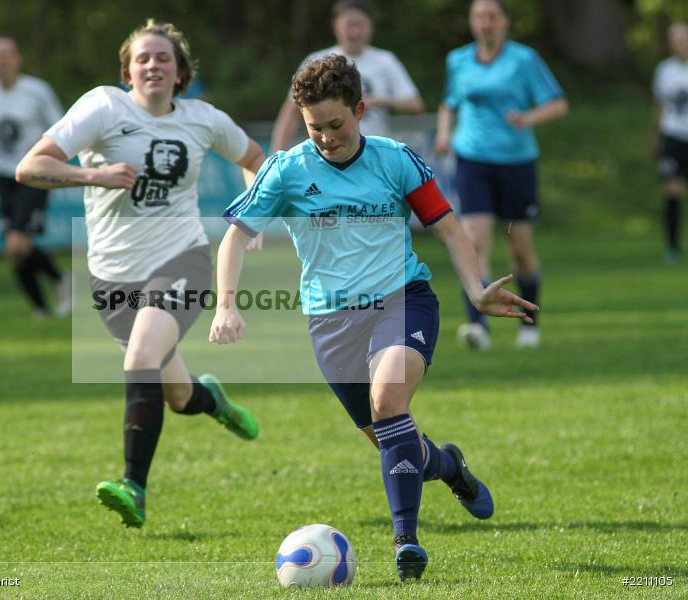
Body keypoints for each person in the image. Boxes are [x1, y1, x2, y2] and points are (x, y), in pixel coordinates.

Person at [210, 54, 537, 581]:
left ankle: (406, 541)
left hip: (402, 299)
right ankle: (449, 465)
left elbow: (448, 228)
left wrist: (476, 291)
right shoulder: (287, 169)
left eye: (336, 124)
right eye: (315, 127)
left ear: (360, 110)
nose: (326, 138)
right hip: (330, 322)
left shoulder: (395, 159)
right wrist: (226, 304)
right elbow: (234, 238)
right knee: (395, 441)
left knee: (388, 404)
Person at [16, 20, 266, 529]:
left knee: (141, 358)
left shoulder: (203, 119)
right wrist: (94, 175)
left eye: (163, 58)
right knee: (177, 396)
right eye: (143, 58)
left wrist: (252, 214)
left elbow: (255, 158)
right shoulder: (103, 107)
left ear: (181, 73)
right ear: (127, 72)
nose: (153, 65)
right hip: (112, 279)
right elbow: (30, 167)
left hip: (182, 259)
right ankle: (211, 399)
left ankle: (134, 485)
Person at [434, 0, 568, 350]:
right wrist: (444, 134)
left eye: (492, 16)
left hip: (516, 162)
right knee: (474, 241)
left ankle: (529, 325)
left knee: (519, 248)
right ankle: (477, 326)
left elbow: (557, 103)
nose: (486, 23)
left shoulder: (524, 60)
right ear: (471, 21)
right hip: (472, 159)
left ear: (504, 21)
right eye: (479, 16)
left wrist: (528, 118)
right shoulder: (458, 60)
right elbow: (449, 103)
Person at [0, 36, 71, 319]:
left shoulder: (37, 91)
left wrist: (42, 145)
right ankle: (42, 306)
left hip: (35, 173)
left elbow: (61, 127)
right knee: (15, 249)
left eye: (8, 54)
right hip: (3, 175)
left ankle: (60, 281)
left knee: (16, 242)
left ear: (17, 58)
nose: (3, 60)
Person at [270, 0, 424, 153]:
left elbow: (415, 104)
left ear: (370, 26)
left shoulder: (385, 60)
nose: (355, 32)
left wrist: (380, 99)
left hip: (373, 153)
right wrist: (275, 155)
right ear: (335, 26)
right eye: (349, 25)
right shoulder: (317, 61)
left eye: (360, 24)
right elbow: (291, 112)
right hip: (327, 154)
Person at [652, 22, 688, 264]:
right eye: (674, 41)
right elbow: (659, 106)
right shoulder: (664, 70)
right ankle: (673, 247)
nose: (679, 45)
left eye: (682, 40)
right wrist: (656, 138)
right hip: (673, 136)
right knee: (673, 190)